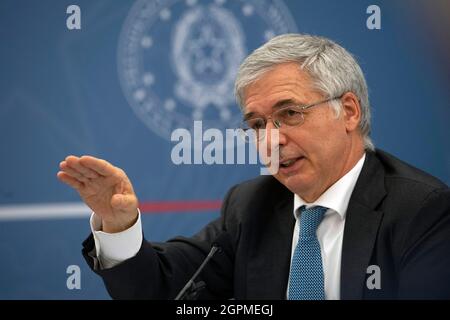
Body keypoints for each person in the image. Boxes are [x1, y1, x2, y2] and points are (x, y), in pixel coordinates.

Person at [57, 34, 450, 300]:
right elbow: (161, 290)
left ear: (348, 111)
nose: (271, 140)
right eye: (257, 125)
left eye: (290, 113)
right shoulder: (252, 205)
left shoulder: (422, 211)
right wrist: (118, 223)